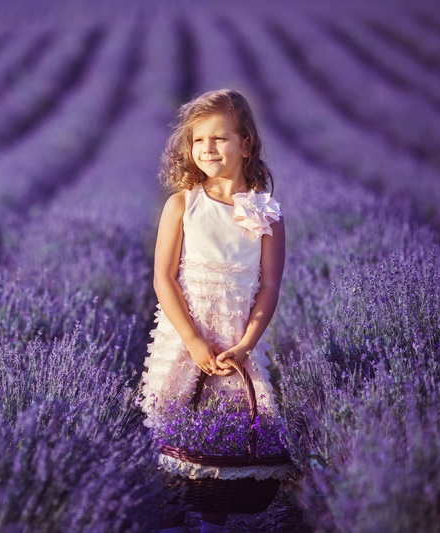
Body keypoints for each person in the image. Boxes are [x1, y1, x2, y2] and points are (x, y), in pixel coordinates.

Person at [136, 88, 286, 533]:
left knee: (225, 432)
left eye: (219, 139)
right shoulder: (183, 204)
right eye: (199, 140)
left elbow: (270, 287)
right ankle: (172, 511)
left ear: (246, 143)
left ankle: (212, 520)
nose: (207, 148)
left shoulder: (266, 214)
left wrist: (244, 345)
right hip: (187, 334)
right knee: (173, 419)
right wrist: (194, 340)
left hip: (234, 344)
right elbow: (163, 278)